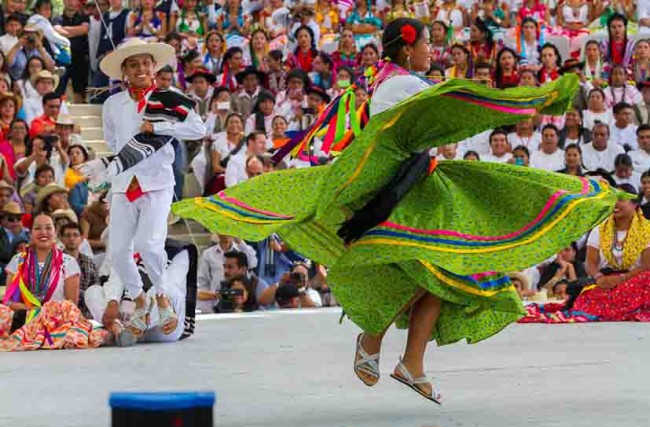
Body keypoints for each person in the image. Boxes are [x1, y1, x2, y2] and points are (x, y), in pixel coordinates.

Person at [174, 18, 624, 403]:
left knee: (445, 277)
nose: (432, 50)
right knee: (439, 270)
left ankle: (410, 362)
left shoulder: (386, 82)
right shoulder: (404, 86)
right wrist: (536, 100)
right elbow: (449, 116)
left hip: (420, 188)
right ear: (408, 48)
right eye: (427, 43)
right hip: (410, 198)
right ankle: (379, 342)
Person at [87, 38, 205, 337]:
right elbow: (113, 143)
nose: (140, 69)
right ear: (124, 71)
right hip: (124, 184)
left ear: (154, 67)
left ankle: (162, 296)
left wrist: (161, 128)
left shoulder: (167, 97)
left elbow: (198, 129)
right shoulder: (113, 104)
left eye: (145, 63)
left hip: (157, 183)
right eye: (133, 64)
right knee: (119, 252)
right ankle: (141, 298)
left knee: (148, 245)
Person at [521, 185, 650, 323]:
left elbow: (646, 265)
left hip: (635, 278)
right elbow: (591, 263)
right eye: (612, 199)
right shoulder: (600, 229)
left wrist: (623, 278)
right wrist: (599, 277)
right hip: (605, 279)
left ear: (635, 204)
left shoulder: (647, 229)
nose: (615, 203)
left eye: (621, 199)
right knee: (592, 295)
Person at [0, 214, 108, 351]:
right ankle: (37, 334)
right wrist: (30, 310)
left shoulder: (67, 262)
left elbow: (71, 304)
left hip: (55, 320)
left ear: (55, 233)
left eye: (48, 228)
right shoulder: (18, 261)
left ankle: (41, 334)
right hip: (24, 316)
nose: (43, 232)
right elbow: (9, 301)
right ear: (31, 233)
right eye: (38, 228)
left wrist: (46, 312)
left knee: (69, 313)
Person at [59, 221, 98, 314]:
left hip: (86, 312)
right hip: (62, 310)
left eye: (75, 235)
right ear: (61, 239)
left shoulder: (89, 262)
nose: (71, 238)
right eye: (67, 235)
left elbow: (96, 288)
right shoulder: (55, 260)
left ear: (81, 239)